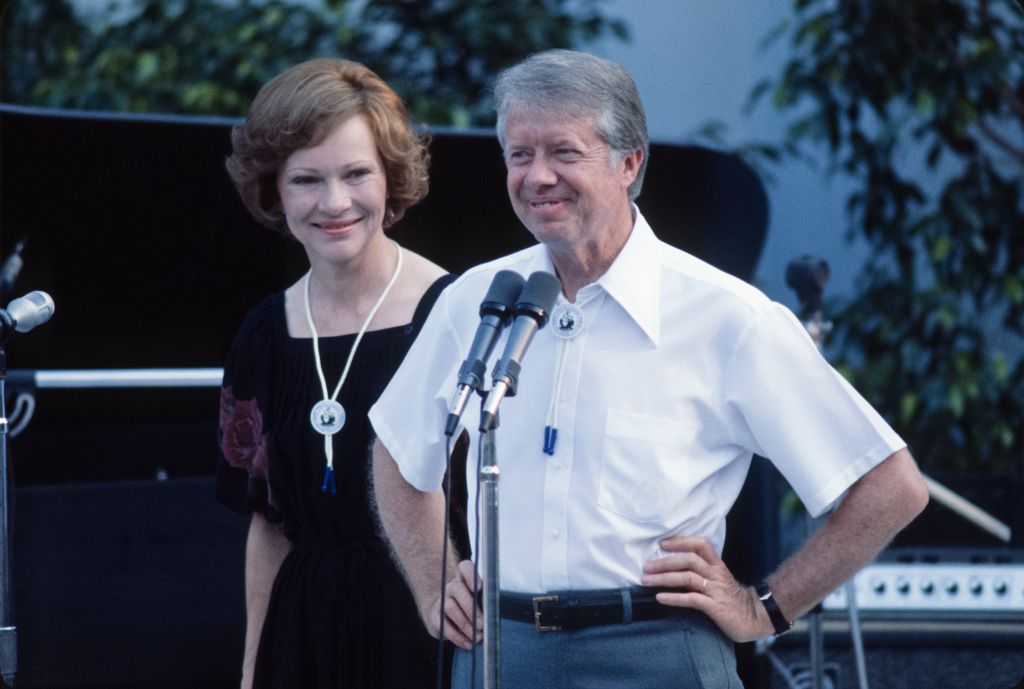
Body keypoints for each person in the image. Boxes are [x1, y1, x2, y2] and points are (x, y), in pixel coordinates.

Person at [369, 49, 929, 688]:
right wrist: (431, 578)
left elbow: (890, 487)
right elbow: (395, 445)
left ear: (629, 163)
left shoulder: (728, 317)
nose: (537, 176)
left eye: (564, 152)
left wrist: (767, 607)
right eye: (519, 155)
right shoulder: (476, 299)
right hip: (500, 650)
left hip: (658, 650)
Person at [215, 57, 452, 689]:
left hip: (428, 634)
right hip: (304, 640)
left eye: (356, 174)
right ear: (274, 189)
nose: (334, 203)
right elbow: (268, 526)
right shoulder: (264, 334)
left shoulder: (454, 315)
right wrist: (250, 671)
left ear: (390, 178)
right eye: (306, 180)